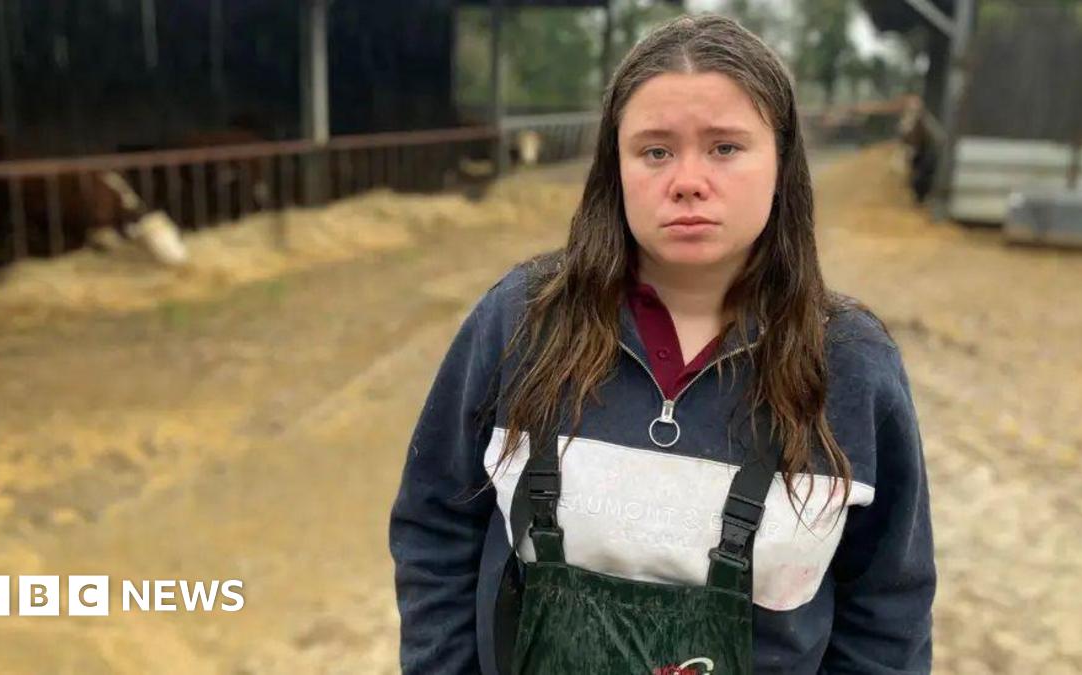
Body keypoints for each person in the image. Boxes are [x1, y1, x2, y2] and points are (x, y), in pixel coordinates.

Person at [389, 14, 935, 675]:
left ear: (783, 161)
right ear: (613, 166)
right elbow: (436, 525)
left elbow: (886, 610)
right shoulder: (521, 321)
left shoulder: (852, 365)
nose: (687, 180)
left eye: (725, 147)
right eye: (655, 150)